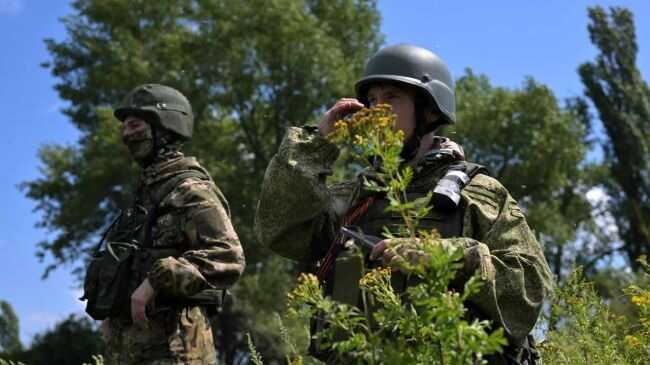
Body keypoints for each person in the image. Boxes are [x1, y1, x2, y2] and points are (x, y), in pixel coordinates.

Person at [255, 44, 553, 364]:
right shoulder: (356, 198)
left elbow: (529, 290)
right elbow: (278, 229)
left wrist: (445, 256)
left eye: (391, 98)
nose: (375, 111)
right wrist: (317, 144)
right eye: (371, 101)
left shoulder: (478, 194)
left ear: (430, 111)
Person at [84, 83, 245, 364]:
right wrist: (112, 311)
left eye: (135, 125)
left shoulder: (189, 188)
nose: (126, 135)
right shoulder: (144, 198)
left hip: (176, 347)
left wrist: (154, 282)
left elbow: (228, 255)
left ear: (165, 126)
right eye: (125, 127)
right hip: (131, 348)